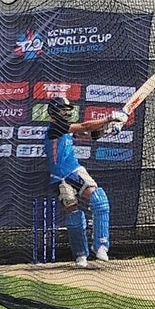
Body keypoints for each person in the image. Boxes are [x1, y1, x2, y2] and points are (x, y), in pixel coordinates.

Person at [44, 96, 124, 267]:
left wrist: (109, 130)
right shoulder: (55, 127)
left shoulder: (65, 128)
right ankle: (81, 254)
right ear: (54, 111)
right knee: (73, 214)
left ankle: (101, 246)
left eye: (67, 109)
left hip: (73, 170)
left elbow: (90, 134)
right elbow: (85, 126)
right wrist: (110, 117)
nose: (66, 112)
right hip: (59, 177)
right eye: (62, 109)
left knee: (99, 200)